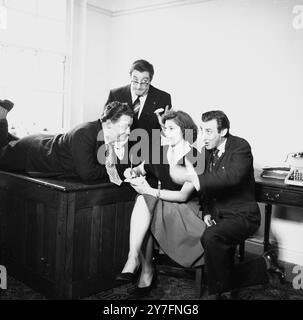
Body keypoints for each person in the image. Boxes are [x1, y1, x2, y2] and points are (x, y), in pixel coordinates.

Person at [169, 110, 285, 299]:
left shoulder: (240, 147)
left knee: (211, 237)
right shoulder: (206, 151)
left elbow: (230, 177)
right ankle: (264, 265)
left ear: (223, 132)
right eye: (201, 130)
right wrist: (206, 211)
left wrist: (192, 177)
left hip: (244, 217)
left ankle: (223, 292)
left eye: (209, 131)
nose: (204, 137)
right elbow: (208, 188)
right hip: (217, 215)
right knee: (216, 252)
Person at [115, 110, 206, 298]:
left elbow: (183, 196)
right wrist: (131, 174)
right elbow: (138, 169)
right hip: (161, 204)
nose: (166, 132)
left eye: (172, 128)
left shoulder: (196, 156)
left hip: (186, 211)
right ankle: (138, 263)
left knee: (144, 200)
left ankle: (140, 266)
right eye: (165, 128)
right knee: (144, 203)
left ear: (186, 130)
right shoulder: (160, 152)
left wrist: (148, 191)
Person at [0, 99, 133, 182]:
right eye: (125, 126)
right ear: (109, 124)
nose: (128, 131)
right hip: (33, 152)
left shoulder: (107, 135)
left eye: (129, 127)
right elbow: (88, 173)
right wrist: (120, 169)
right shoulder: (85, 133)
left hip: (43, 143)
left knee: (7, 143)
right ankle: (2, 117)